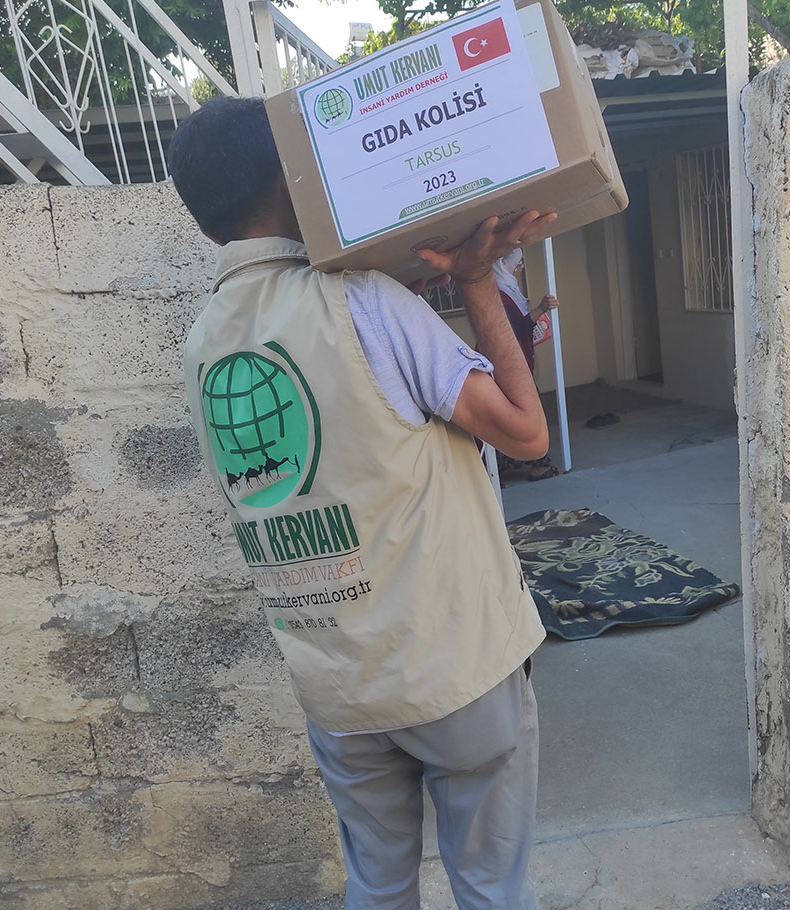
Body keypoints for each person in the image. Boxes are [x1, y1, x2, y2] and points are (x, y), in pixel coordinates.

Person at [168, 96, 553, 910]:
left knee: (377, 887)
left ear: (205, 223)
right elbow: (525, 433)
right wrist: (477, 282)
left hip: (337, 686)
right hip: (453, 664)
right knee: (491, 889)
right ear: (295, 178)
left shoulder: (203, 347)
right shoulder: (363, 300)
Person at [486, 249, 559, 482]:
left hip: (511, 365)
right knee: (526, 413)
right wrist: (541, 308)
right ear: (505, 267)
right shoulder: (499, 296)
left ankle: (505, 465)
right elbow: (515, 329)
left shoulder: (508, 292)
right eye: (518, 266)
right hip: (507, 368)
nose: (520, 270)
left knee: (513, 414)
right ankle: (535, 464)